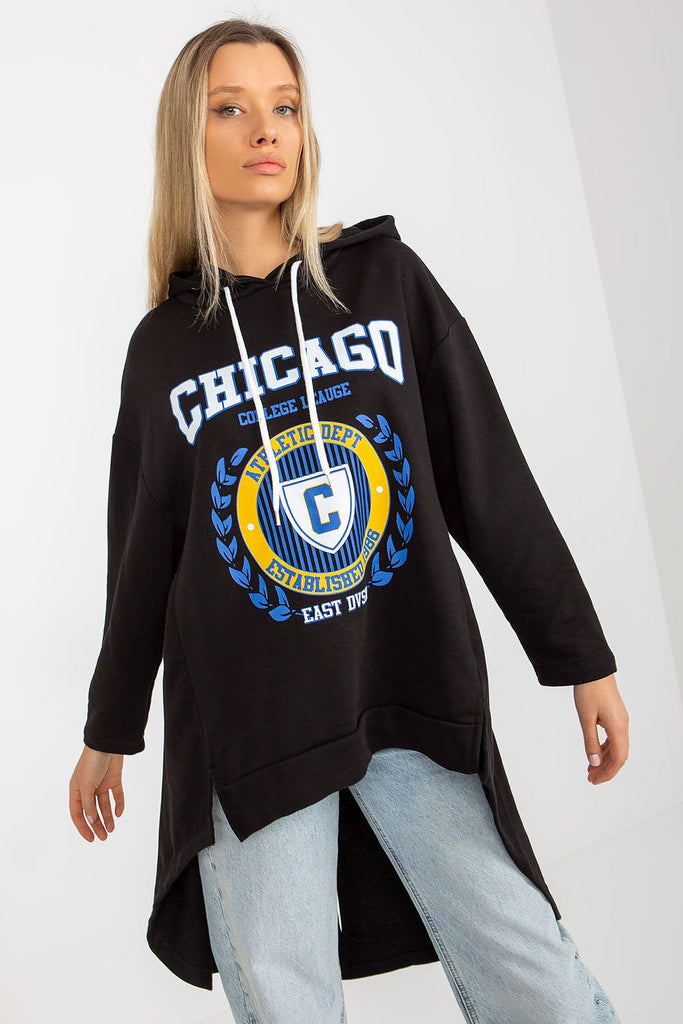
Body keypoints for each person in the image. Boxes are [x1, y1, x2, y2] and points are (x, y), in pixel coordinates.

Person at [68, 17, 628, 1024]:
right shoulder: (164, 350)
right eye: (230, 109)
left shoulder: (382, 282)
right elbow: (141, 559)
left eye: (283, 106)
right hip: (251, 729)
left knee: (532, 975)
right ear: (186, 138)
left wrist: (579, 656)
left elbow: (488, 477)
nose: (264, 130)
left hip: (404, 686)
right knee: (286, 1001)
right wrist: (109, 730)